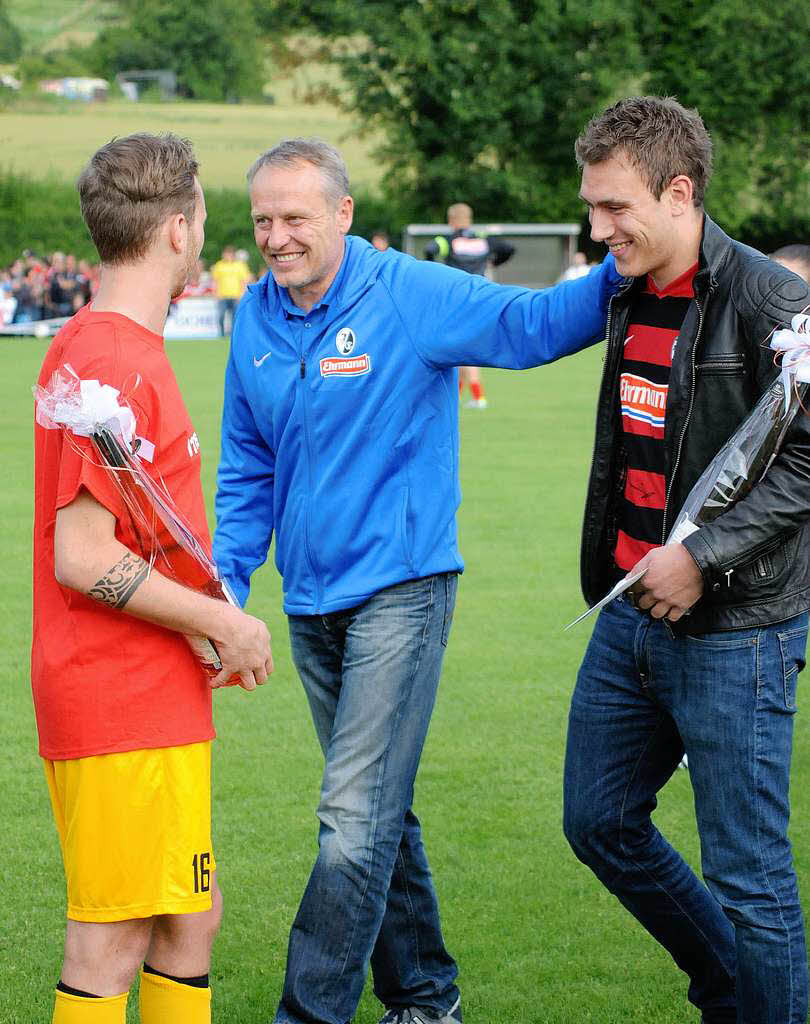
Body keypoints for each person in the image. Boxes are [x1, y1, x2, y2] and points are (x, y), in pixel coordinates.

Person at [212, 136, 622, 1024]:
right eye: (262, 221)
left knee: (351, 817)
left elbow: (531, 326)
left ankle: (307, 1012)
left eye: (295, 217)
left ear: (343, 214)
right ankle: (426, 995)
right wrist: (228, 578)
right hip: (310, 600)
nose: (277, 237)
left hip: (402, 588)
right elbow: (247, 461)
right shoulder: (255, 315)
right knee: (378, 813)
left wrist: (631, 259)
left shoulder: (407, 293)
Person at [563, 96, 810, 1024]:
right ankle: (729, 987)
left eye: (615, 208)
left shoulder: (774, 299)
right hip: (627, 608)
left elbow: (809, 459)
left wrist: (705, 556)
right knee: (598, 823)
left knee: (751, 880)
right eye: (592, 207)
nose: (599, 230)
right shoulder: (625, 289)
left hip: (735, 631)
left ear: (679, 192)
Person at [32, 132, 274, 1024]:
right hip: (117, 695)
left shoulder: (100, 346)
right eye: (205, 215)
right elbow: (85, 555)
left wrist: (200, 624)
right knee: (114, 937)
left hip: (146, 690)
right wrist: (231, 626)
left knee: (187, 919)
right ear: (179, 230)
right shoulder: (114, 361)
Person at [424, 202, 516, 409]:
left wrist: (435, 267)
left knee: (461, 349)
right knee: (463, 348)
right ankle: (462, 397)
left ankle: (477, 397)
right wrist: (494, 262)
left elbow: (430, 249)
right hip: (482, 299)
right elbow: (509, 248)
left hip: (457, 301)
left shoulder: (448, 240)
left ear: (451, 221)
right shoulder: (482, 238)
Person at [210, 244, 252, 337]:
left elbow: (244, 281)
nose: (228, 256)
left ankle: (233, 335)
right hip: (222, 295)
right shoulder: (219, 265)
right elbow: (215, 281)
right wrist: (215, 292)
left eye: (230, 254)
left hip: (235, 295)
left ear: (233, 255)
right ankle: (221, 334)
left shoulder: (240, 266)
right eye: (226, 254)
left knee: (235, 316)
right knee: (221, 315)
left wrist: (241, 294)